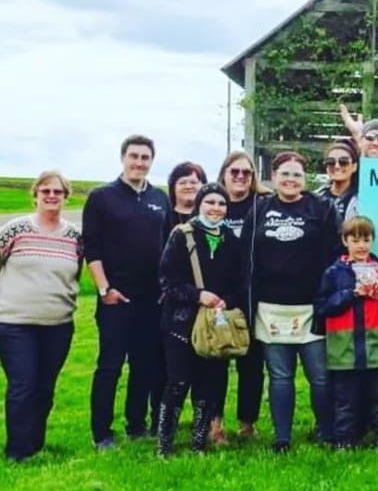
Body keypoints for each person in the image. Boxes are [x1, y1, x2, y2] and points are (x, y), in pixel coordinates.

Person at [250, 151, 342, 453]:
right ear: (274, 177)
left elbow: (334, 253)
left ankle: (326, 432)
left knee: (320, 377)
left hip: (311, 307)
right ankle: (282, 437)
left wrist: (327, 296)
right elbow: (246, 255)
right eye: (285, 174)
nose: (290, 180)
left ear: (305, 179)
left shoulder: (321, 208)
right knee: (280, 376)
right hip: (271, 308)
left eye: (297, 175)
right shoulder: (260, 209)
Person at [85, 134, 170, 449]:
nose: (139, 162)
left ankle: (136, 425)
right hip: (116, 299)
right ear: (123, 158)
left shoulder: (159, 199)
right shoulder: (102, 197)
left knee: (144, 366)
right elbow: (91, 248)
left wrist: (165, 288)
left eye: (145, 157)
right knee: (110, 367)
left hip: (151, 299)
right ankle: (102, 433)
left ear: (151, 161)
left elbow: (168, 246)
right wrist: (104, 289)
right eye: (134, 156)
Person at [155, 183, 244, 456]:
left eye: (221, 203)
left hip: (215, 325)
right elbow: (167, 280)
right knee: (178, 382)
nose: (216, 208)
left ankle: (199, 442)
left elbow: (239, 282)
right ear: (200, 204)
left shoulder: (231, 240)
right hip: (181, 322)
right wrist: (197, 295)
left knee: (208, 385)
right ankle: (164, 444)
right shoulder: (181, 235)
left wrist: (226, 300)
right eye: (210, 202)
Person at [0, 171, 83, 462]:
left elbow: (77, 272)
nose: (51, 196)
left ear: (65, 197)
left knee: (44, 387)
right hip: (14, 323)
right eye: (45, 190)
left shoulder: (74, 237)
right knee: (23, 385)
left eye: (57, 192)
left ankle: (36, 443)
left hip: (58, 324)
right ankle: (17, 451)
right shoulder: (16, 230)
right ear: (35, 194)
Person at [315, 216, 378, 449]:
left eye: (366, 240)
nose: (361, 245)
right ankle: (345, 440)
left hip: (376, 346)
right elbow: (322, 307)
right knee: (345, 400)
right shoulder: (333, 272)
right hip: (344, 349)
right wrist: (350, 293)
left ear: (373, 241)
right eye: (355, 240)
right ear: (345, 241)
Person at [208, 151, 270, 443]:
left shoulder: (263, 205)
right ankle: (214, 423)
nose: (241, 177)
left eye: (247, 172)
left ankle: (247, 423)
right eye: (235, 172)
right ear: (224, 174)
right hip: (218, 296)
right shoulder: (214, 204)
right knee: (216, 362)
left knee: (252, 364)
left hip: (253, 295)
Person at [314, 139, 359, 221]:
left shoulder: (363, 199)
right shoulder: (314, 198)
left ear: (354, 166)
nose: (337, 166)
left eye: (343, 162)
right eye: (330, 162)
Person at [164, 162, 207, 234]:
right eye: (182, 183)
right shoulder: (163, 217)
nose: (188, 187)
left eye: (193, 182)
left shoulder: (210, 217)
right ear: (173, 187)